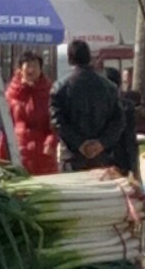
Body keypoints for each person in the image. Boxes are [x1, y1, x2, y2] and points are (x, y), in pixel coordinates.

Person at [49, 38, 124, 172]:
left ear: (69, 59)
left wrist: (79, 143)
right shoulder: (110, 87)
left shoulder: (60, 87)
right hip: (102, 156)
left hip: (72, 156)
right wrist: (102, 143)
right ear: (90, 57)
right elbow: (118, 121)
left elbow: (57, 121)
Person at [0, 51, 57, 175]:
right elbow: (5, 127)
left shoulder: (50, 93)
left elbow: (56, 123)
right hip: (17, 151)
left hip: (43, 153)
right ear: (20, 69)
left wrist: (51, 142)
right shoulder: (11, 94)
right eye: (28, 66)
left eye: (35, 66)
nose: (31, 70)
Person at [103, 66, 140, 177]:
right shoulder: (127, 106)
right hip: (122, 160)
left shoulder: (96, 107)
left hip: (100, 159)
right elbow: (130, 139)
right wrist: (134, 167)